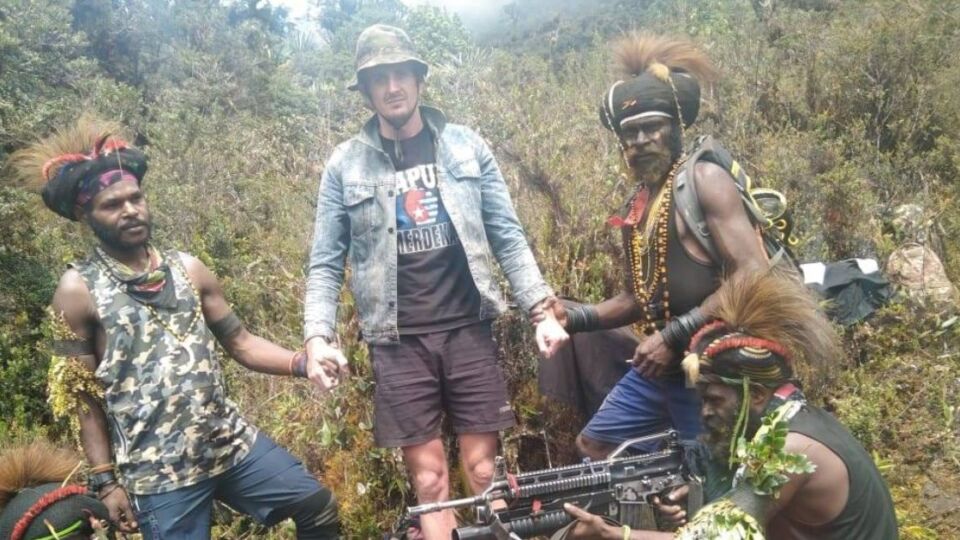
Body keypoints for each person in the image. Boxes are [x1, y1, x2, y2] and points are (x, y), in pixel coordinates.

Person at [10, 117, 340, 539]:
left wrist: (304, 361)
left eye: (136, 198)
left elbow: (241, 343)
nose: (130, 210)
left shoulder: (189, 270)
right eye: (112, 205)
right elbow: (82, 398)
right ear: (83, 213)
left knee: (317, 506)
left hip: (229, 445)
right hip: (158, 475)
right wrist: (106, 481)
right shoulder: (77, 292)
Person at [304, 24, 568, 539]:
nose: (392, 86)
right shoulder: (345, 164)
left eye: (401, 73)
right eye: (379, 78)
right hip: (398, 343)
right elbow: (325, 262)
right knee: (429, 481)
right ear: (366, 90)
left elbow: (506, 236)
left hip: (468, 329)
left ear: (419, 80)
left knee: (487, 474)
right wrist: (317, 337)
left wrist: (542, 310)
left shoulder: (466, 147)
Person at [538, 33, 770, 459]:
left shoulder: (705, 180)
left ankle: (686, 495)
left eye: (651, 127)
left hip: (712, 364)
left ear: (674, 128)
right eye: (629, 133)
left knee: (710, 469)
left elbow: (754, 271)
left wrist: (673, 335)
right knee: (595, 445)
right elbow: (635, 298)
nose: (640, 140)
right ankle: (661, 498)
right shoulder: (638, 205)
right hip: (659, 364)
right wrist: (574, 317)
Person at [560, 270, 898, 539]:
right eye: (703, 399)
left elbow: (715, 536)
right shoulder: (791, 421)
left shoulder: (790, 450)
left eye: (715, 399)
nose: (704, 411)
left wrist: (613, 533)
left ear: (759, 395)